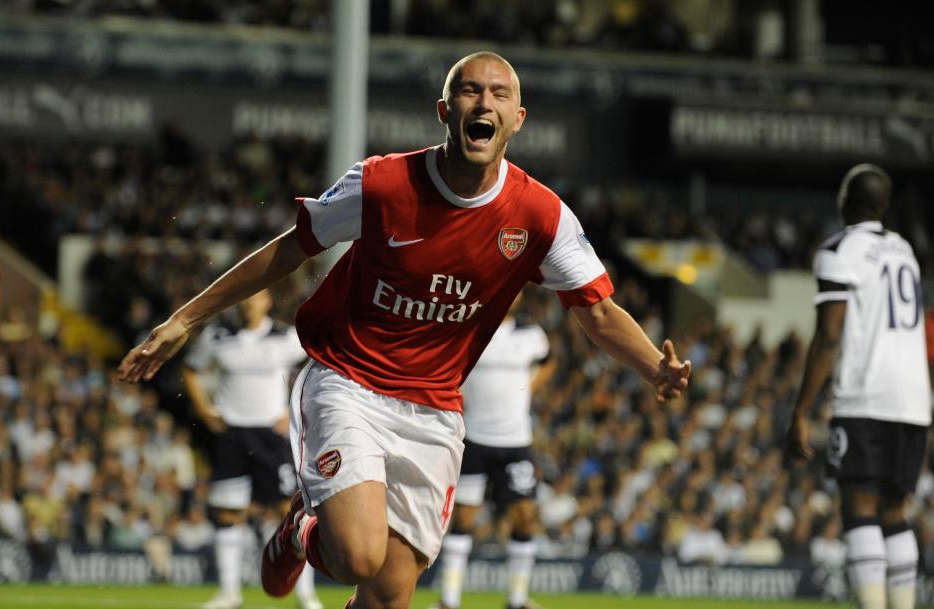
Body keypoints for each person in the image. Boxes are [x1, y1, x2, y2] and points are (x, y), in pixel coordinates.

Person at [119, 51, 691, 609]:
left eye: (500, 93)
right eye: (469, 90)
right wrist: (185, 318)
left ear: (518, 119)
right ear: (445, 111)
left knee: (389, 595)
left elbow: (594, 308)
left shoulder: (541, 217)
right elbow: (291, 248)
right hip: (347, 380)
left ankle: (314, 530)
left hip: (434, 408)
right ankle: (301, 531)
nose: (483, 101)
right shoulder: (383, 184)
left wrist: (650, 365)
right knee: (358, 557)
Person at [787, 164, 930, 609]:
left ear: (844, 199)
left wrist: (802, 411)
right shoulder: (904, 250)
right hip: (914, 401)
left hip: (867, 395)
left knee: (860, 509)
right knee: (895, 514)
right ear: (883, 205)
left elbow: (829, 334)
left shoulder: (840, 249)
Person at [182, 290, 322, 609]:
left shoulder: (287, 337)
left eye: (256, 297)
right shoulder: (217, 336)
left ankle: (305, 594)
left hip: (271, 434)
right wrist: (204, 409)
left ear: (267, 301)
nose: (249, 302)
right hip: (231, 433)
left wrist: (294, 408)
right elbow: (191, 370)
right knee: (227, 512)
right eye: (244, 298)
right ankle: (229, 593)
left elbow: (319, 363)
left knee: (290, 513)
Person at [432, 293, 554, 609]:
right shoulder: (470, 328)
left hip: (516, 441)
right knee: (464, 518)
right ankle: (449, 600)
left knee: (526, 516)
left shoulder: (531, 334)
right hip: (475, 437)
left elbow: (549, 360)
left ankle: (516, 600)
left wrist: (530, 388)